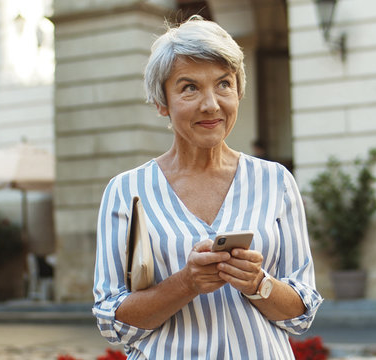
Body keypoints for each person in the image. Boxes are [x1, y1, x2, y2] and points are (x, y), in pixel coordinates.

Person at [93, 16, 323, 359]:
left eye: (223, 84)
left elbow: (300, 313)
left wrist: (258, 283)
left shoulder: (276, 181)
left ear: (238, 91)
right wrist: (186, 282)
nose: (211, 104)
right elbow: (114, 321)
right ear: (162, 103)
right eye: (189, 87)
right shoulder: (127, 191)